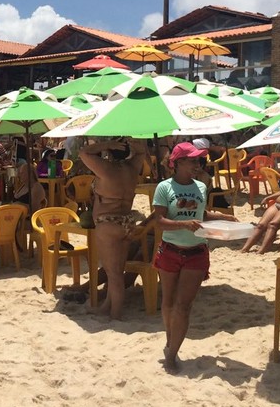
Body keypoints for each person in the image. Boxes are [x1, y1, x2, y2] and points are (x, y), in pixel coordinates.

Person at [152, 141, 239, 371]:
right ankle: (171, 342)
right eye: (192, 160)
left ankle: (172, 354)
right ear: (178, 162)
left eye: (198, 160)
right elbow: (158, 221)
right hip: (170, 250)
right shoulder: (164, 187)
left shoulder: (201, 186)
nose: (197, 164)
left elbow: (201, 215)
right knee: (168, 302)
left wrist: (222, 217)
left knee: (184, 306)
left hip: (197, 252)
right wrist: (184, 224)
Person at [79, 138, 146, 321]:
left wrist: (106, 144)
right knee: (116, 270)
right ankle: (106, 307)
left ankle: (116, 315)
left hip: (108, 223)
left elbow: (84, 152)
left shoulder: (106, 169)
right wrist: (130, 144)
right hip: (126, 222)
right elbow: (141, 151)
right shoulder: (132, 168)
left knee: (114, 274)